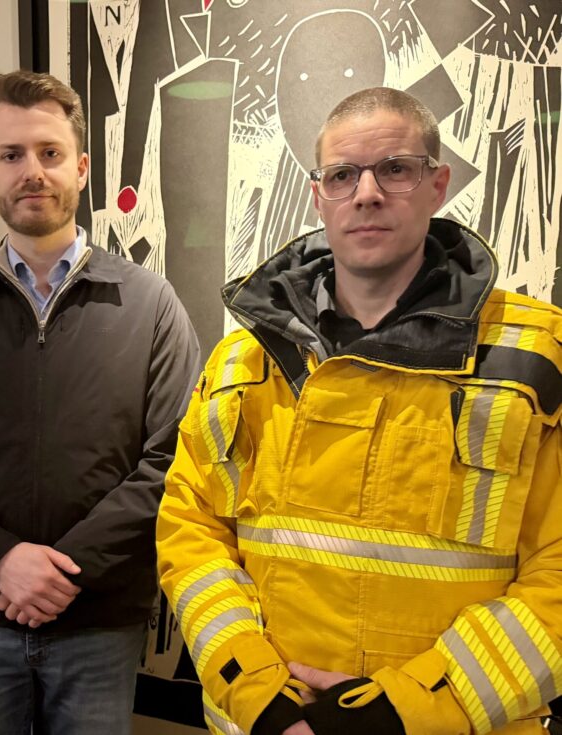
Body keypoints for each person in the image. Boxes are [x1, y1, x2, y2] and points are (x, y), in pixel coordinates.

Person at [156, 87, 562, 735]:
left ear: (437, 183)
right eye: (343, 174)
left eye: (395, 169)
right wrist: (258, 690)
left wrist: (404, 711)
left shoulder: (535, 358)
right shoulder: (241, 362)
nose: (367, 192)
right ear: (319, 196)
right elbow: (192, 533)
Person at [0, 70, 200, 734]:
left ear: (81, 168)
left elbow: (172, 460)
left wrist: (64, 571)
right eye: (11, 156)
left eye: (50, 154)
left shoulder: (149, 304)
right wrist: (4, 559)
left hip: (98, 621)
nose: (33, 171)